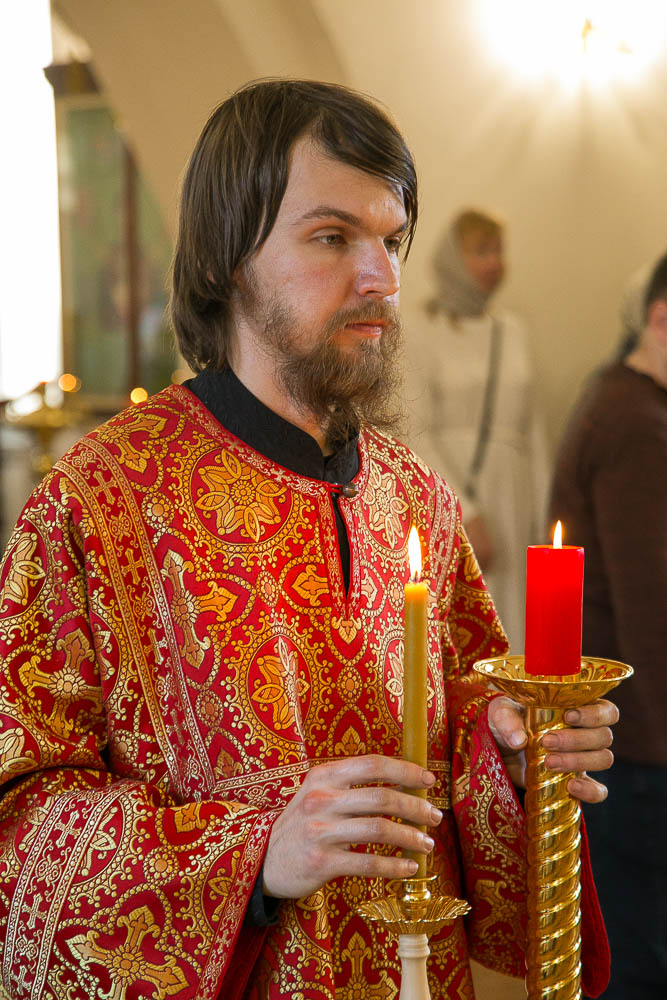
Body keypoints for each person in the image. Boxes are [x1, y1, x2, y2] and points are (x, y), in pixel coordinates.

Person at [0, 80, 616, 1000]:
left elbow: (463, 749)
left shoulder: (416, 499)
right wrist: (253, 855)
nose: (381, 279)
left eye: (391, 241)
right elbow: (22, 830)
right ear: (226, 260)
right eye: (332, 237)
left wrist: (513, 759)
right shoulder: (98, 498)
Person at [550, 252, 667, 999]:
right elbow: (650, 609)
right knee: (639, 966)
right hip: (643, 748)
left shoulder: (627, 403)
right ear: (660, 320)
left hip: (629, 737)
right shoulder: (636, 424)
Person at [404, 209, 549, 651]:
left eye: (499, 251)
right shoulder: (418, 330)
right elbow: (414, 431)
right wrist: (464, 515)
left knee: (518, 626)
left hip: (514, 500)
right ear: (453, 257)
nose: (494, 263)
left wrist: (544, 522)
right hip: (451, 495)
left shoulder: (513, 330)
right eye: (481, 251)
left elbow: (533, 433)